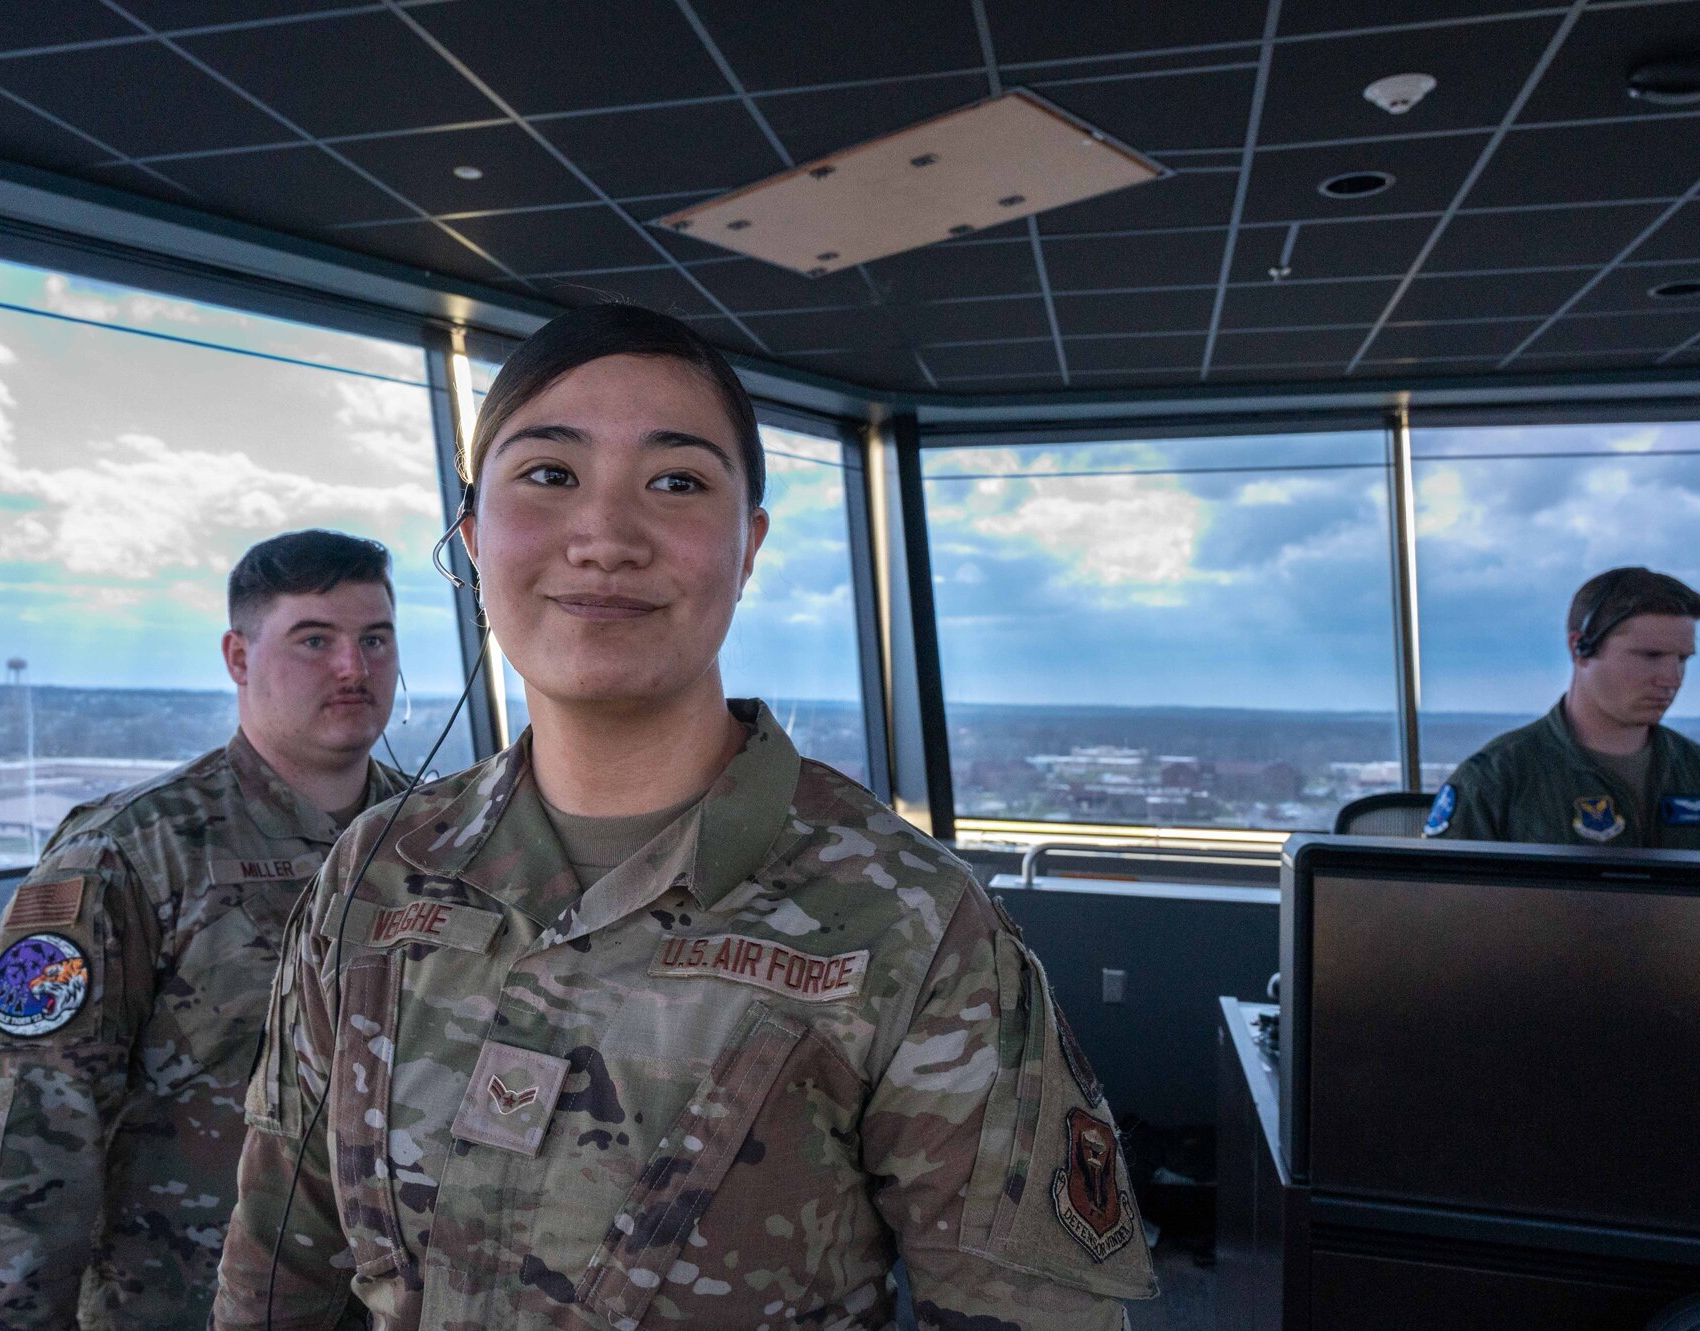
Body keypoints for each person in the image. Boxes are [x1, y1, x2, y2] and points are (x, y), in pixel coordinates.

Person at [210, 305, 1157, 1331]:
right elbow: (279, 1262)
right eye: (549, 474)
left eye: (676, 482)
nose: (605, 538)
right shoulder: (377, 872)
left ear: (745, 545)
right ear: (473, 538)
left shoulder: (908, 921)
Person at [0, 530, 412, 1331]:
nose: (353, 668)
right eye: (314, 639)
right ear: (239, 657)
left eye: (374, 639)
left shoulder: (433, 843)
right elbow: (17, 1136)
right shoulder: (126, 854)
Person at [1425, 566, 1700, 850]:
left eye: (1682, 659)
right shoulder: (1496, 782)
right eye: (1650, 656)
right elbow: (1439, 911)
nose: (1671, 679)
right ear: (1580, 648)